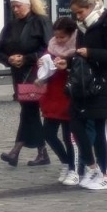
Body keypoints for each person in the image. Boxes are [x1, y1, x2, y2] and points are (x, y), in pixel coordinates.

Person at [63, 0, 107, 190]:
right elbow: (81, 55)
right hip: (85, 83)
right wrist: (69, 62)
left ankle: (106, 175)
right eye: (75, 13)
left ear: (90, 7)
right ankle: (92, 167)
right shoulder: (83, 27)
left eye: (80, 12)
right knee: (76, 123)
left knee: (101, 128)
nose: (78, 17)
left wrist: (90, 53)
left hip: (105, 83)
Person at [0, 0, 50, 167]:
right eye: (12, 7)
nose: (15, 10)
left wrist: (26, 58)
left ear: (28, 5)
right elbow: (0, 51)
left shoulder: (40, 21)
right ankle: (41, 152)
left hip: (36, 73)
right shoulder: (11, 26)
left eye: (18, 6)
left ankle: (16, 150)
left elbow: (48, 47)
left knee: (29, 110)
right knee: (29, 111)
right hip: (18, 74)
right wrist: (9, 59)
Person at [39, 16, 81, 185]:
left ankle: (73, 168)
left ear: (71, 35)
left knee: (68, 136)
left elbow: (80, 66)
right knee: (47, 133)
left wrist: (67, 65)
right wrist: (43, 63)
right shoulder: (52, 46)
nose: (58, 40)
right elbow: (45, 64)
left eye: (62, 37)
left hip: (68, 94)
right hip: (53, 94)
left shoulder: (77, 47)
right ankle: (65, 162)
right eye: (56, 36)